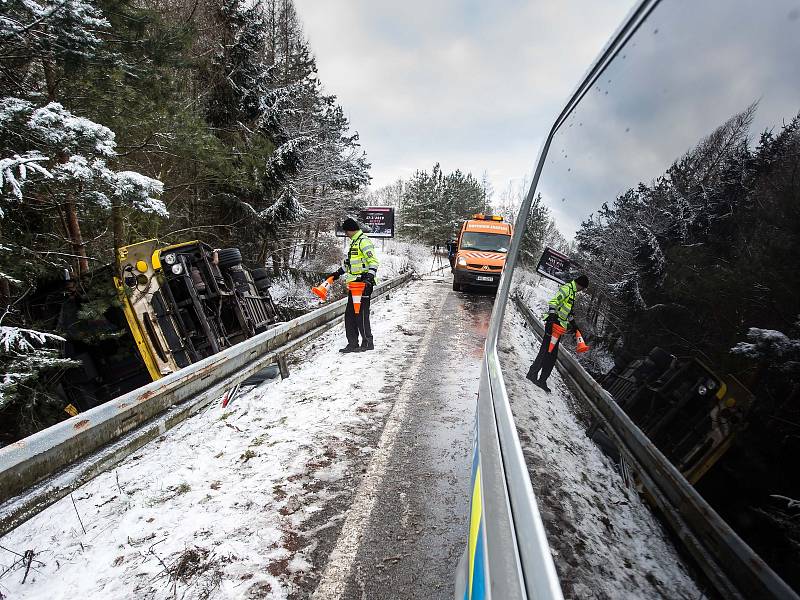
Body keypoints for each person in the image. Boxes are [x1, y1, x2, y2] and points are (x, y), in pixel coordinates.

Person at [526, 274, 589, 392]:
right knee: (546, 352)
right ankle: (533, 374)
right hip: (553, 326)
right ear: (580, 285)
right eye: (582, 288)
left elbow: (567, 311)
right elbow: (553, 302)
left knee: (551, 356)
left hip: (559, 328)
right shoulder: (567, 289)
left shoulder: (572, 293)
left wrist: (573, 324)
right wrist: (551, 318)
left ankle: (541, 379)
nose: (581, 290)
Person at [327, 218, 379, 353]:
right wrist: (337, 273)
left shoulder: (364, 241)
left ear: (350, 229)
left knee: (361, 314)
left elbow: (373, 262)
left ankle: (367, 342)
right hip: (354, 285)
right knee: (350, 315)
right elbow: (349, 265)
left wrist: (369, 278)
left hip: (363, 284)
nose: (345, 234)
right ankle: (352, 344)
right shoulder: (354, 243)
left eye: (346, 231)